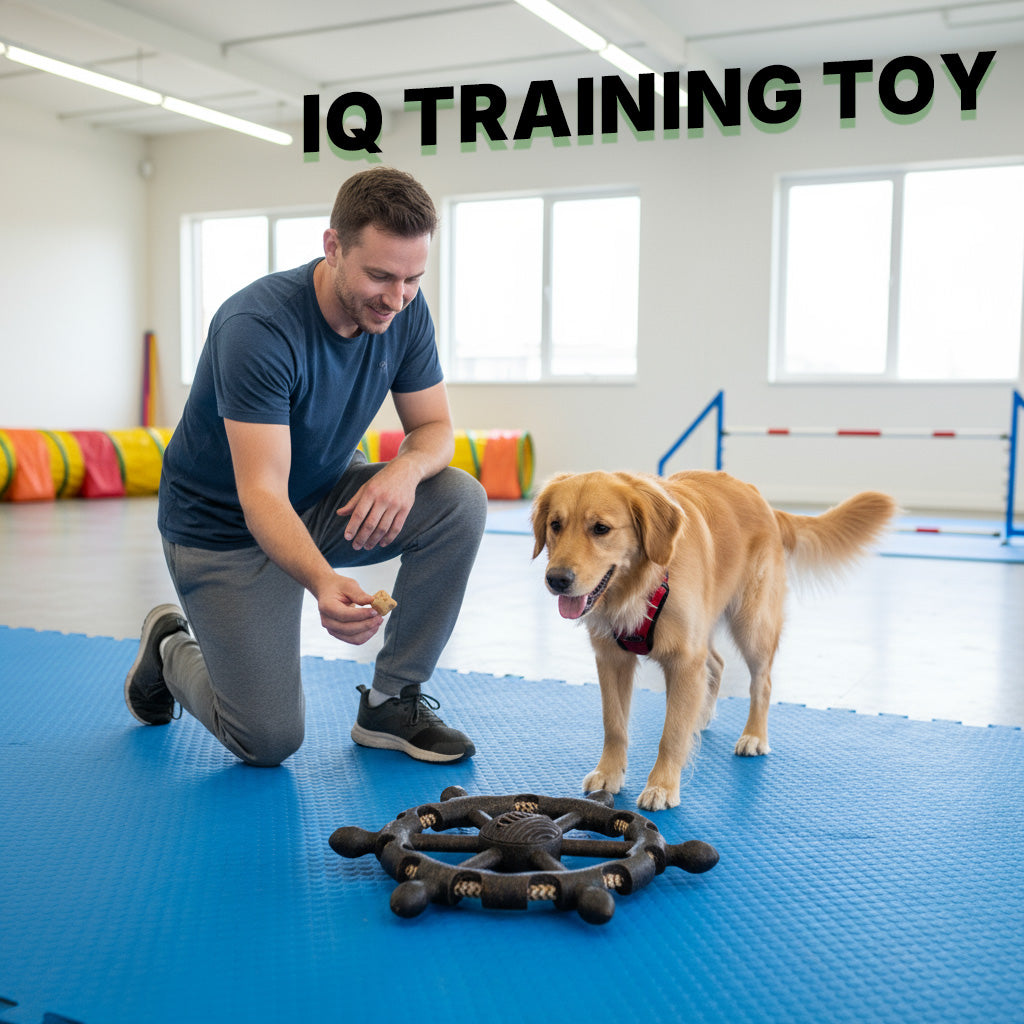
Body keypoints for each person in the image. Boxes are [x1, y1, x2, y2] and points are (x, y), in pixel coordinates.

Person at [124, 167, 487, 767]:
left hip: (319, 498)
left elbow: (435, 429)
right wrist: (323, 582)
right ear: (333, 247)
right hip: (223, 531)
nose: (395, 298)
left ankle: (392, 701)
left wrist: (404, 468)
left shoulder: (404, 312)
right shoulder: (257, 328)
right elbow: (262, 493)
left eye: (412, 279)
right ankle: (168, 647)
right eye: (379, 276)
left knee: (459, 499)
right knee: (266, 741)